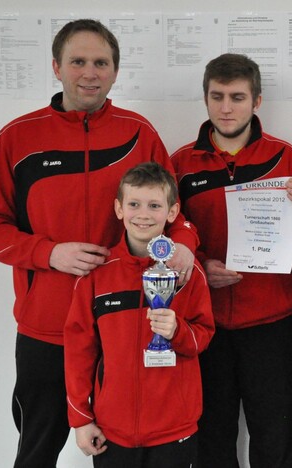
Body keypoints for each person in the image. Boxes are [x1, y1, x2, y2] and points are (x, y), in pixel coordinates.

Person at [0, 19, 197, 468]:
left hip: (124, 326)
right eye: (78, 61)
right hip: (48, 330)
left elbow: (174, 212)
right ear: (56, 67)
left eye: (100, 63)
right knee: (37, 451)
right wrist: (49, 253)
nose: (89, 73)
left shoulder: (139, 132)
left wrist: (186, 243)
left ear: (115, 71)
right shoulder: (17, 138)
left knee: (121, 453)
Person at [171, 53, 292, 468]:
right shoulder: (180, 164)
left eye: (237, 97)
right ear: (205, 98)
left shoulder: (287, 159)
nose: (226, 107)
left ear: (257, 101)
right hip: (204, 324)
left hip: (273, 325)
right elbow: (167, 237)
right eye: (216, 96)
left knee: (279, 440)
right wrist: (201, 268)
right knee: (211, 440)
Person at [64, 162, 215, 468]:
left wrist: (177, 331)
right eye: (134, 204)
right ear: (119, 208)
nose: (143, 214)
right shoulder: (96, 275)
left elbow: (204, 335)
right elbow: (79, 349)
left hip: (174, 429)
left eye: (154, 205)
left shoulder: (187, 271)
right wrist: (80, 418)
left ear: (172, 212)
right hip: (113, 430)